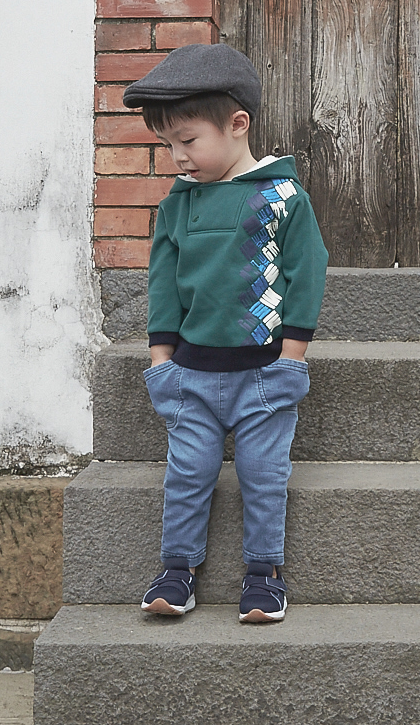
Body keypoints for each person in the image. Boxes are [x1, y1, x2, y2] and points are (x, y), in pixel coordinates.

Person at [121, 43, 328, 622]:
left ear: (238, 125)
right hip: (191, 376)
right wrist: (162, 363)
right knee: (189, 472)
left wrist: (292, 360)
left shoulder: (282, 198)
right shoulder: (176, 207)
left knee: (264, 474)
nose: (177, 157)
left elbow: (305, 274)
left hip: (264, 374)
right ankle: (177, 570)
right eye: (169, 145)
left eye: (188, 141)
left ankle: (264, 574)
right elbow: (163, 287)